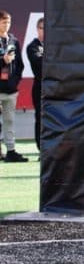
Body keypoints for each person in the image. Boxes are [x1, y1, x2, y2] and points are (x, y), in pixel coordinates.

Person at [0, 10, 28, 162]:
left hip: (10, 90)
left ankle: (11, 151)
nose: (7, 25)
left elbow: (20, 65)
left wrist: (15, 81)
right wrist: (2, 60)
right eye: (4, 22)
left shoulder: (14, 40)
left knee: (9, 121)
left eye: (9, 22)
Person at [27, 16, 43, 149]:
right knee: (40, 118)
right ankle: (41, 147)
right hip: (40, 87)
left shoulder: (55, 46)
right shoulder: (33, 46)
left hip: (56, 87)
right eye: (42, 28)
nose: (45, 31)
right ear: (37, 29)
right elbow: (39, 62)